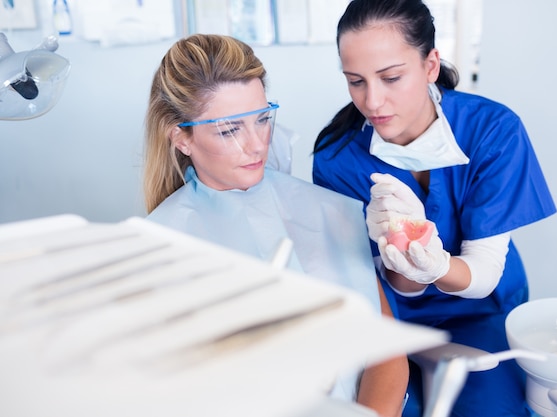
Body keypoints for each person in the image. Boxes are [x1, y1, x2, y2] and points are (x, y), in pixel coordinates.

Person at [142, 33, 409, 417]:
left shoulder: (329, 211)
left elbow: (385, 352)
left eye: (263, 119)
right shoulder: (160, 247)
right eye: (230, 129)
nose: (256, 145)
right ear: (182, 137)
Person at [312, 1, 557, 416]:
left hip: (480, 310)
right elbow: (392, 285)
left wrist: (436, 266)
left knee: (492, 409)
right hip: (392, 317)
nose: (372, 101)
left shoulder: (492, 131)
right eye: (355, 81)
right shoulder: (338, 158)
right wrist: (402, 255)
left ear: (430, 65)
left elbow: (481, 272)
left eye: (391, 77)